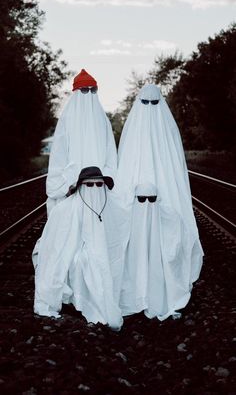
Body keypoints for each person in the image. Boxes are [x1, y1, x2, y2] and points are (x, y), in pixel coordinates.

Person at [116, 84, 203, 318]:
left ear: (160, 104)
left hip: (161, 197)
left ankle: (161, 283)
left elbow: (176, 170)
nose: (150, 109)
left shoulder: (167, 133)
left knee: (167, 230)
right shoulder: (136, 132)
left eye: (154, 103)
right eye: (146, 103)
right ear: (139, 105)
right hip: (139, 198)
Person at [34, 166, 124, 330]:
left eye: (99, 185)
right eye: (89, 185)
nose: (95, 189)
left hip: (108, 255)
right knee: (81, 262)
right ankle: (78, 301)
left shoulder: (114, 207)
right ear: (81, 187)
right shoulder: (64, 210)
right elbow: (56, 245)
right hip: (75, 257)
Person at [46, 69, 117, 215]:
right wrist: (66, 183)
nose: (89, 94)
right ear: (77, 91)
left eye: (93, 90)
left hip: (99, 190)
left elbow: (111, 153)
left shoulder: (103, 121)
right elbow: (58, 155)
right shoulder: (67, 119)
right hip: (71, 190)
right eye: (85, 90)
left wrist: (107, 178)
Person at [120, 183, 191, 320]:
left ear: (157, 199)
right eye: (141, 199)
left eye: (151, 199)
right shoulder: (128, 217)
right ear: (135, 199)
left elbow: (178, 233)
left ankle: (154, 298)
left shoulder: (166, 215)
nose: (146, 204)